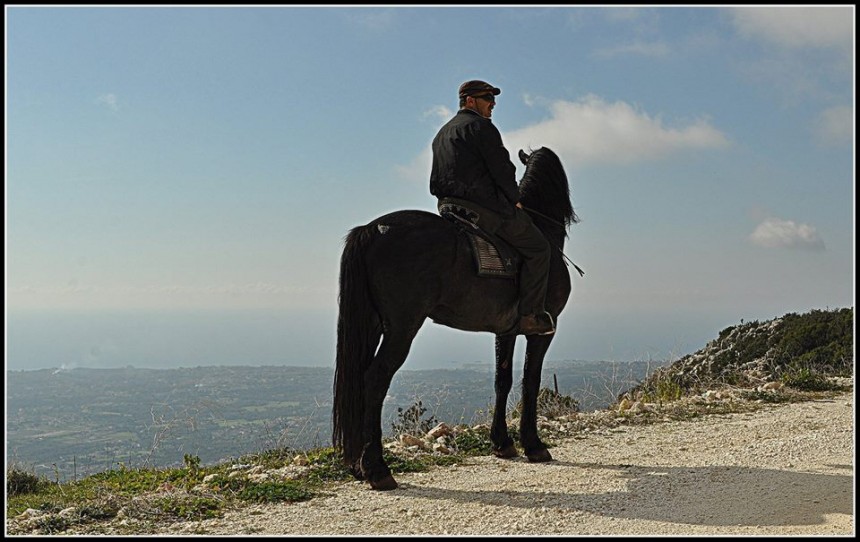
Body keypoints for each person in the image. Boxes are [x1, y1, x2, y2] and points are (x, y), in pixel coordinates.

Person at [430, 79, 555, 336]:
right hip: (483, 208)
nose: (493, 103)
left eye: (493, 99)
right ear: (470, 101)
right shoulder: (482, 127)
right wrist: (514, 198)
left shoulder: (441, 133)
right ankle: (530, 316)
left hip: (448, 207)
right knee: (539, 248)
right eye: (487, 98)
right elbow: (502, 168)